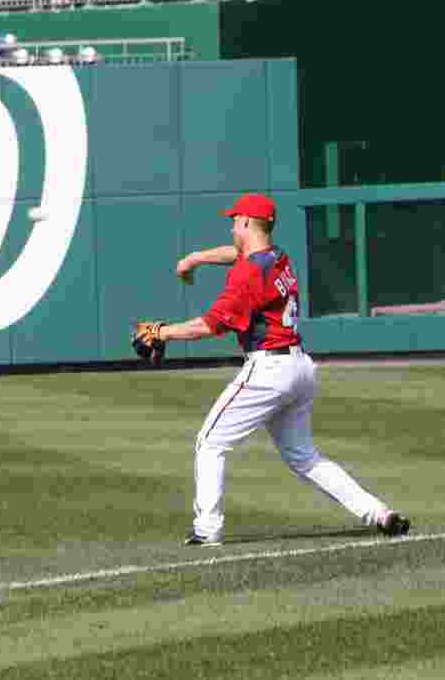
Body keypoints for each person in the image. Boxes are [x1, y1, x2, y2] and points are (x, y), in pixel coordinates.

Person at [157, 193, 410, 546]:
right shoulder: (277, 258)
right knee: (305, 458)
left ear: (246, 222)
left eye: (234, 220)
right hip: (300, 367)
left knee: (210, 442)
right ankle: (379, 513)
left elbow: (212, 325)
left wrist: (162, 331)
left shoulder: (248, 273)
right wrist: (196, 258)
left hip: (269, 369)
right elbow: (238, 255)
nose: (231, 226)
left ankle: (207, 527)